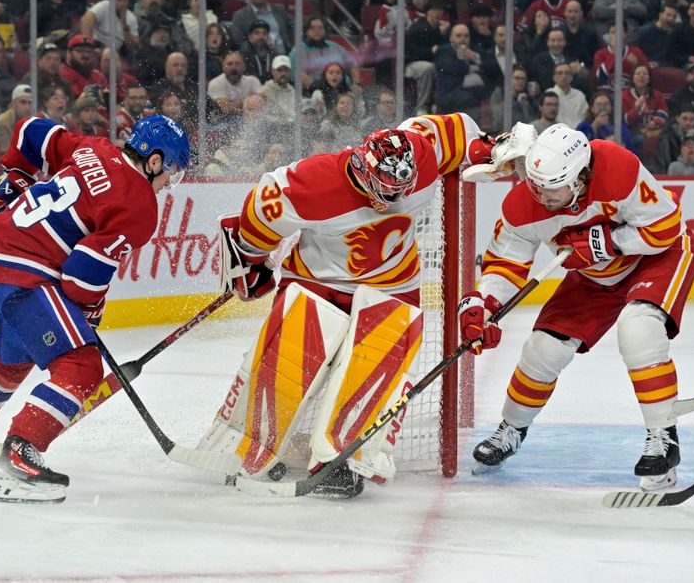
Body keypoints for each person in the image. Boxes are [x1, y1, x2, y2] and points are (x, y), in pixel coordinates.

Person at [198, 112, 527, 498]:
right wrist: (252, 261)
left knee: (377, 365)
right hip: (317, 280)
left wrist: (494, 148)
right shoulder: (310, 183)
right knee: (288, 357)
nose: (394, 202)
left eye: (401, 191)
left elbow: (463, 134)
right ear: (362, 169)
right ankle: (251, 446)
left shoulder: (422, 149)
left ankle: (341, 458)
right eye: (385, 193)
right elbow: (256, 218)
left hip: (393, 284)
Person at [0, 114, 190, 503]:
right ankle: (20, 457)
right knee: (82, 366)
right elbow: (81, 276)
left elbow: (31, 129)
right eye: (170, 172)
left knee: (12, 359)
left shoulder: (94, 148)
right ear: (154, 161)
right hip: (24, 273)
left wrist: (17, 175)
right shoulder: (139, 205)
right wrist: (89, 314)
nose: (168, 184)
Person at [464, 123, 694, 492]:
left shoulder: (616, 166)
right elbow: (504, 265)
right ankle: (511, 428)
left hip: (657, 259)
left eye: (552, 188)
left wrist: (609, 241)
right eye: (535, 185)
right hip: (594, 275)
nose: (541, 195)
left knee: (638, 331)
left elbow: (664, 230)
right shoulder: (523, 204)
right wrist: (487, 304)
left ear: (579, 178)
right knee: (542, 349)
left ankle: (663, 438)